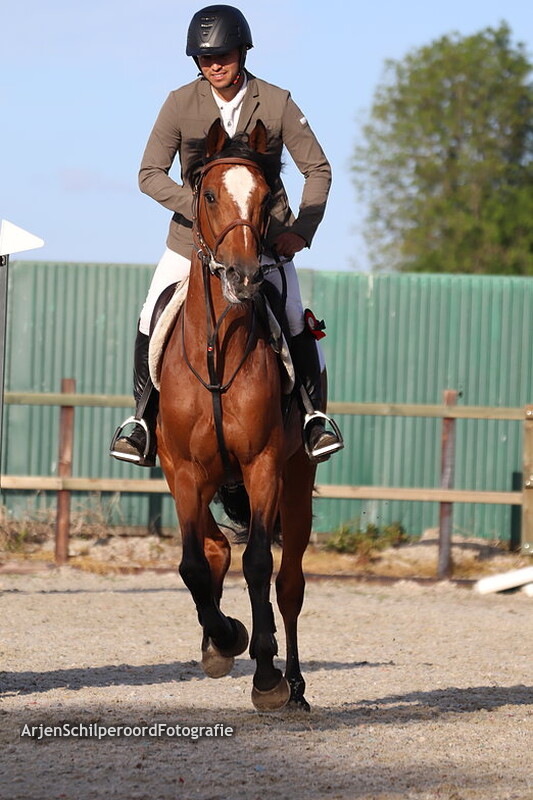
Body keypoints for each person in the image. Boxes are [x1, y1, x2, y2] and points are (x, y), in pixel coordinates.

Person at [110, 4, 343, 467]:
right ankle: (140, 418)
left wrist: (301, 231)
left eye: (223, 55)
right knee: (151, 315)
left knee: (294, 316)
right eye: (204, 58)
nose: (214, 65)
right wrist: (198, 213)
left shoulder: (276, 102)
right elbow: (149, 173)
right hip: (191, 242)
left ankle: (314, 417)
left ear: (242, 52)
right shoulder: (180, 103)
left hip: (265, 244)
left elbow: (318, 169)